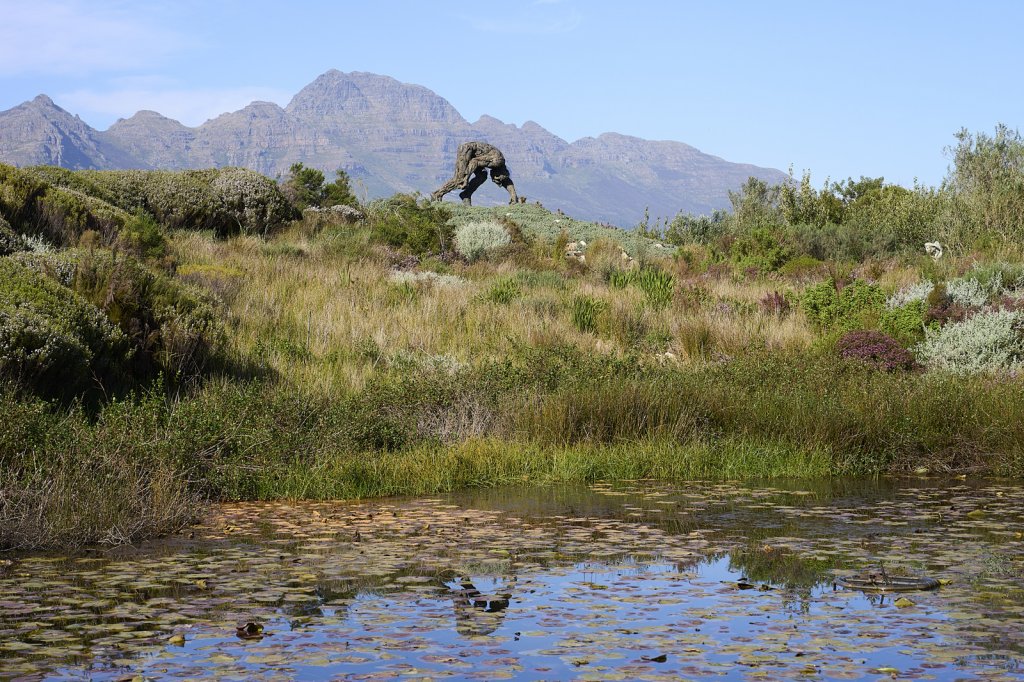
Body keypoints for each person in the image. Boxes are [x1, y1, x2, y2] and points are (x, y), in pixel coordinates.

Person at [432, 141, 519, 205]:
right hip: (467, 151)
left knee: (482, 175)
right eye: (496, 179)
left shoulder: (498, 164)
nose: (494, 180)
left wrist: (513, 196)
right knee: (459, 180)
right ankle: (437, 194)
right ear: (500, 173)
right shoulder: (497, 161)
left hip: (474, 154)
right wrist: (466, 178)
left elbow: (506, 181)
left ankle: (466, 195)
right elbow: (475, 162)